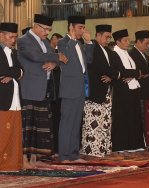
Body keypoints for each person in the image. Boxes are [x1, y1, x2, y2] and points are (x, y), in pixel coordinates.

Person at [18, 14, 68, 166]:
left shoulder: (45, 42)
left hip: (44, 89)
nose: (47, 33)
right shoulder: (23, 40)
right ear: (36, 26)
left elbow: (56, 61)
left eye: (49, 30)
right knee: (28, 127)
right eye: (45, 29)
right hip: (29, 89)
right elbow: (35, 56)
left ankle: (36, 159)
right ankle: (24, 159)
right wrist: (57, 56)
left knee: (41, 127)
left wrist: (54, 64)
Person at [57, 15, 94, 163]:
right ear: (71, 27)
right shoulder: (63, 42)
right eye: (80, 27)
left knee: (76, 122)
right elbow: (64, 57)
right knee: (66, 123)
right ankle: (64, 155)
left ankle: (73, 154)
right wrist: (72, 40)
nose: (82, 30)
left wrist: (89, 42)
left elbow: (89, 60)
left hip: (81, 89)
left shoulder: (80, 43)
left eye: (83, 27)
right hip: (69, 89)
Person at [81, 24, 118, 157]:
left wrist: (112, 77)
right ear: (98, 36)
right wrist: (111, 74)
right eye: (106, 37)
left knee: (105, 123)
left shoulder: (108, 51)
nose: (108, 40)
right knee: (93, 125)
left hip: (106, 92)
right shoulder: (92, 48)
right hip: (94, 93)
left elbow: (115, 69)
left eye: (109, 37)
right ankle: (91, 151)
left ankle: (103, 150)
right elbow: (97, 66)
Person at [110, 29, 144, 152]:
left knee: (134, 117)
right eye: (125, 40)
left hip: (133, 88)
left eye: (128, 40)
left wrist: (134, 74)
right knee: (123, 119)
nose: (128, 42)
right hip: (122, 90)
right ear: (118, 42)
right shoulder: (114, 53)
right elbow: (121, 72)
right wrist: (135, 73)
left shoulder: (127, 53)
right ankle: (122, 146)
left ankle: (135, 145)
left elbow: (138, 71)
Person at [0, 22, 26, 170]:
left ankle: (12, 164)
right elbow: (2, 69)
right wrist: (14, 73)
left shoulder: (14, 52)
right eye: (11, 37)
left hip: (16, 99)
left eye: (15, 37)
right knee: (2, 134)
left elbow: (22, 71)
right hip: (3, 99)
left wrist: (12, 74)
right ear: (1, 35)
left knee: (15, 134)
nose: (13, 40)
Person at [128, 30, 149, 147]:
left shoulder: (145, 55)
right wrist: (148, 71)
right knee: (143, 121)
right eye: (146, 43)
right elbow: (141, 71)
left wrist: (148, 71)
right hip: (142, 93)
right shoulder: (133, 54)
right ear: (138, 42)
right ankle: (145, 145)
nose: (148, 46)